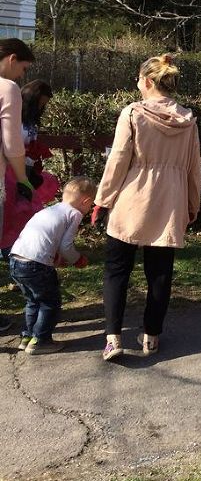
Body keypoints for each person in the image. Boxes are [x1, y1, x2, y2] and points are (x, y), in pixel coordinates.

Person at [92, 54, 201, 361]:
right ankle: (151, 337)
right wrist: (192, 203)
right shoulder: (188, 119)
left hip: (132, 199)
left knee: (116, 270)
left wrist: (102, 199)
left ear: (148, 81)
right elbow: (194, 168)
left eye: (138, 78)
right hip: (171, 200)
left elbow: (117, 161)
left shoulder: (132, 113)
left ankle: (113, 338)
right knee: (159, 273)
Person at [8, 177, 96, 355]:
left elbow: (47, 239)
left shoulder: (50, 210)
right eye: (90, 205)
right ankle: (41, 341)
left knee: (33, 301)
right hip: (36, 264)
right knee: (50, 303)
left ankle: (27, 336)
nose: (88, 210)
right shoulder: (74, 213)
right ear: (86, 201)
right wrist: (77, 259)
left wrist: (56, 257)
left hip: (16, 259)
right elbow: (66, 245)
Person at [0, 38, 36, 333]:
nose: (22, 76)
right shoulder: (7, 89)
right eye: (23, 68)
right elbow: (12, 145)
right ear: (12, 59)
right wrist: (23, 179)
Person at [2, 80, 57, 255]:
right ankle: (5, 245)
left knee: (23, 206)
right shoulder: (15, 113)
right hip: (10, 167)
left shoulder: (32, 120)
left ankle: (14, 243)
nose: (43, 106)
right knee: (9, 206)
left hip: (26, 167)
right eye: (42, 102)